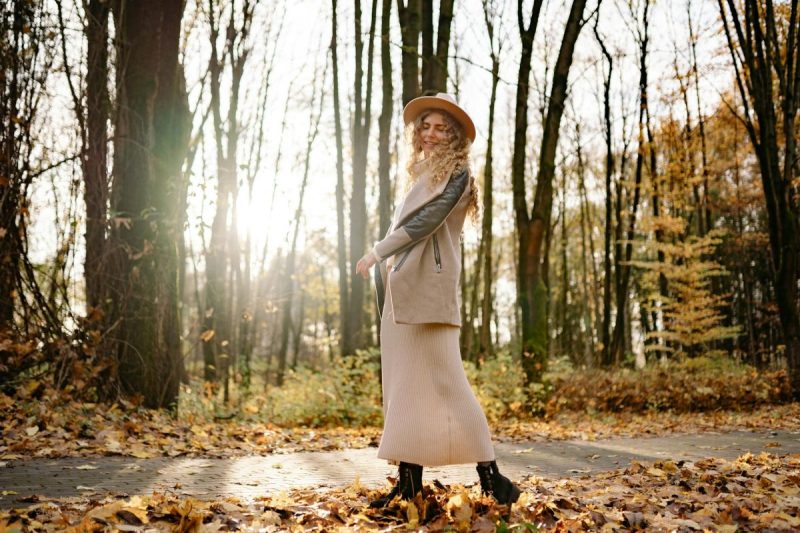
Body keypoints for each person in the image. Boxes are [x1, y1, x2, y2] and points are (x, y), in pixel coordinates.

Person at [355, 93, 521, 508]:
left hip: (430, 292)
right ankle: (408, 485)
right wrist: (386, 269)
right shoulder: (422, 175)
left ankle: (493, 479)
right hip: (402, 290)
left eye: (440, 128)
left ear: (454, 136)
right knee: (403, 389)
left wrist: (378, 251)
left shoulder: (459, 175)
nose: (430, 134)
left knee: (450, 384)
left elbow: (426, 223)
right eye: (425, 126)